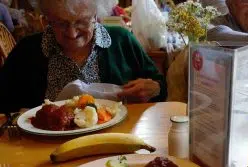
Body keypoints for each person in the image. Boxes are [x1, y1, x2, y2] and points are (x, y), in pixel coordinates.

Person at [0, 0, 166, 113]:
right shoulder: (27, 51)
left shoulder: (122, 41)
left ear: (95, 16)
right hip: (43, 151)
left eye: (82, 22)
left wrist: (154, 88)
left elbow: (160, 86)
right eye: (61, 23)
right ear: (46, 20)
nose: (72, 33)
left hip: (115, 142)